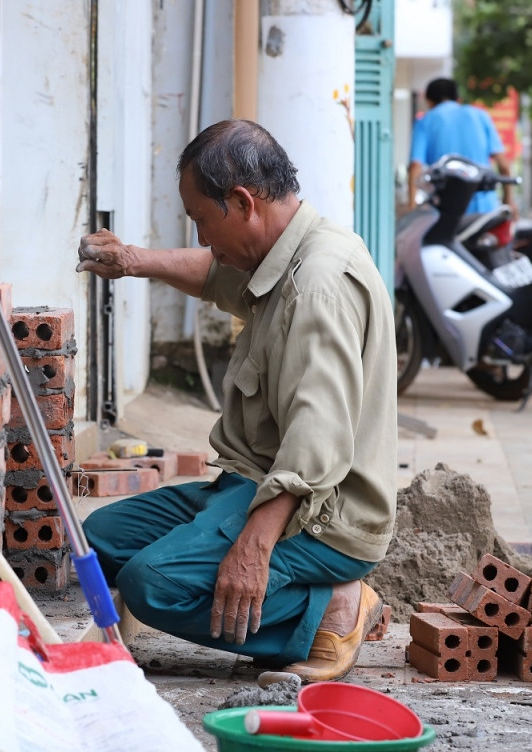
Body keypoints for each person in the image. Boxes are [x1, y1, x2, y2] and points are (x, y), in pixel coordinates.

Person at [74, 119, 397, 682]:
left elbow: (314, 447)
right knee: (97, 542)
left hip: (320, 515)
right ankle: (300, 590)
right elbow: (213, 273)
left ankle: (333, 609)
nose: (201, 238)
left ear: (243, 202)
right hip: (253, 482)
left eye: (202, 219)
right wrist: (131, 260)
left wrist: (253, 548)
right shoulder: (284, 249)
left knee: (152, 585)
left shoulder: (317, 285)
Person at [406, 77, 516, 216]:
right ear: (458, 99)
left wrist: (411, 205)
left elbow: (416, 166)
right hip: (484, 210)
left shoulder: (425, 121)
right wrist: (508, 200)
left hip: (445, 211)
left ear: (429, 101)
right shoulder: (481, 116)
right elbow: (504, 165)